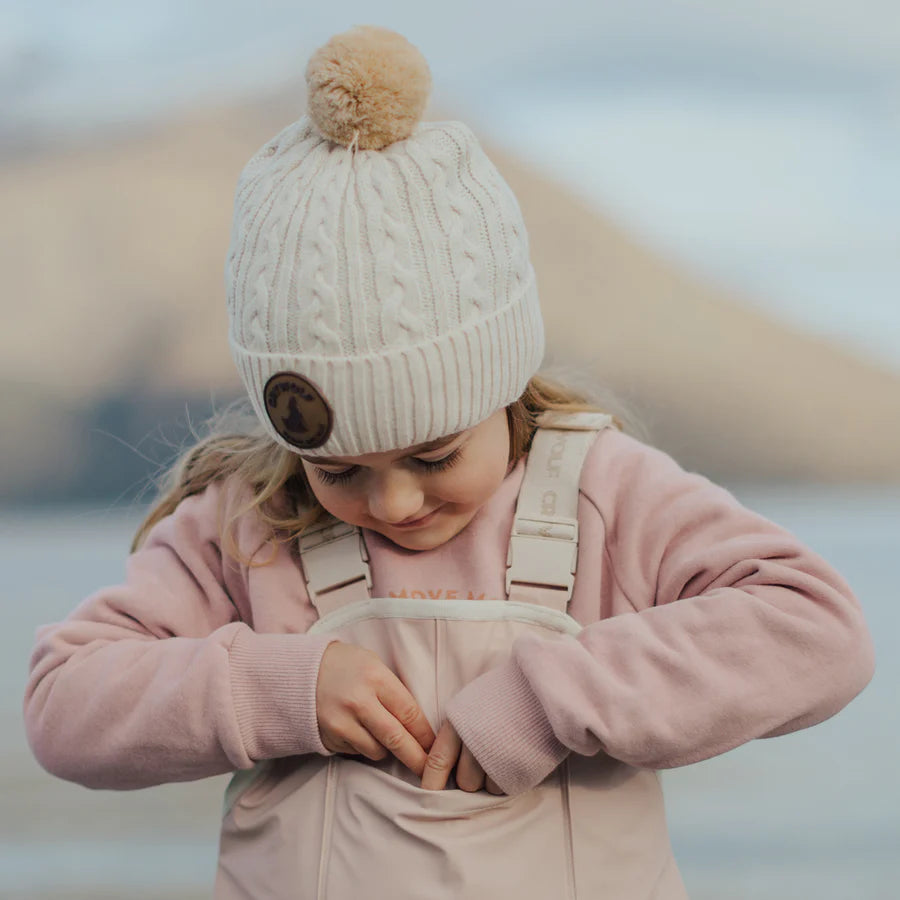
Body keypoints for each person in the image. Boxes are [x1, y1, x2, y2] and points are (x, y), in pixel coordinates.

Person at [23, 25, 875, 900]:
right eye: (339, 470)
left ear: (499, 389)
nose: (392, 502)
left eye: (433, 455)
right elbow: (62, 707)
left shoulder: (603, 493)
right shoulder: (249, 526)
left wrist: (556, 696)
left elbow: (816, 633)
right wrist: (273, 688)